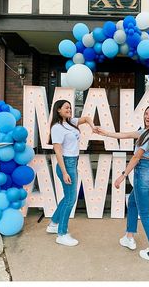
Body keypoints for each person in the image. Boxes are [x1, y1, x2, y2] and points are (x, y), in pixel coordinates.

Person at [94, 106, 149, 262]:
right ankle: (129, 236)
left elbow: (135, 158)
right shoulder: (146, 132)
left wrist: (122, 176)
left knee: (145, 213)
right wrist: (105, 132)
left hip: (142, 174)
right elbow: (124, 134)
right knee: (133, 203)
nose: (147, 116)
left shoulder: (148, 136)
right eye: (146, 113)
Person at [46, 100, 95, 247]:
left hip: (73, 163)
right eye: (66, 107)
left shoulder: (70, 122)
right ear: (58, 110)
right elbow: (58, 152)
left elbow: (86, 118)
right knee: (71, 199)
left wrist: (93, 127)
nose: (69, 109)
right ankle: (62, 234)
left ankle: (53, 224)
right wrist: (65, 171)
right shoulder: (57, 128)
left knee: (67, 197)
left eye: (70, 107)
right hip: (66, 164)